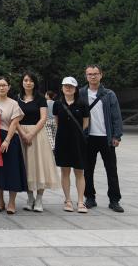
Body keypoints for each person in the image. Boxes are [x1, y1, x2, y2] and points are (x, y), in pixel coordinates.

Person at [81, 64, 124, 213]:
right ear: (86, 76)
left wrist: (117, 136)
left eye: (95, 73)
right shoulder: (81, 93)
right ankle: (90, 197)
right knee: (88, 170)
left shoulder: (109, 94)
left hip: (107, 138)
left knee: (111, 170)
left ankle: (114, 200)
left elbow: (116, 116)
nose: (93, 76)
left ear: (101, 75)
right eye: (90, 74)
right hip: (88, 138)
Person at [0, 76, 27, 215]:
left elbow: (14, 123)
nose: (1, 87)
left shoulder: (14, 103)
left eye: (4, 85)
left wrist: (7, 140)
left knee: (11, 170)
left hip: (9, 139)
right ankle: (0, 200)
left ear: (9, 87)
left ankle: (12, 202)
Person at [17, 71, 59, 212]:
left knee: (40, 165)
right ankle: (30, 198)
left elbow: (43, 118)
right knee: (26, 166)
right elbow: (14, 118)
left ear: (35, 83)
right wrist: (23, 134)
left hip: (37, 134)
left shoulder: (40, 99)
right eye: (25, 80)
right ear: (22, 82)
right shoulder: (17, 99)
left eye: (31, 80)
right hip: (21, 134)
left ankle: (39, 199)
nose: (28, 83)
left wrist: (31, 134)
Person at [53, 77, 90, 213]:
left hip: (78, 142)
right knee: (65, 171)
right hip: (62, 141)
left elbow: (85, 123)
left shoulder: (82, 103)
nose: (68, 88)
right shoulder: (57, 104)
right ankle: (67, 200)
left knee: (79, 171)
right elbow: (57, 121)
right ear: (62, 88)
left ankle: (80, 201)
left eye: (71, 86)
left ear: (75, 89)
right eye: (66, 86)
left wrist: (76, 134)